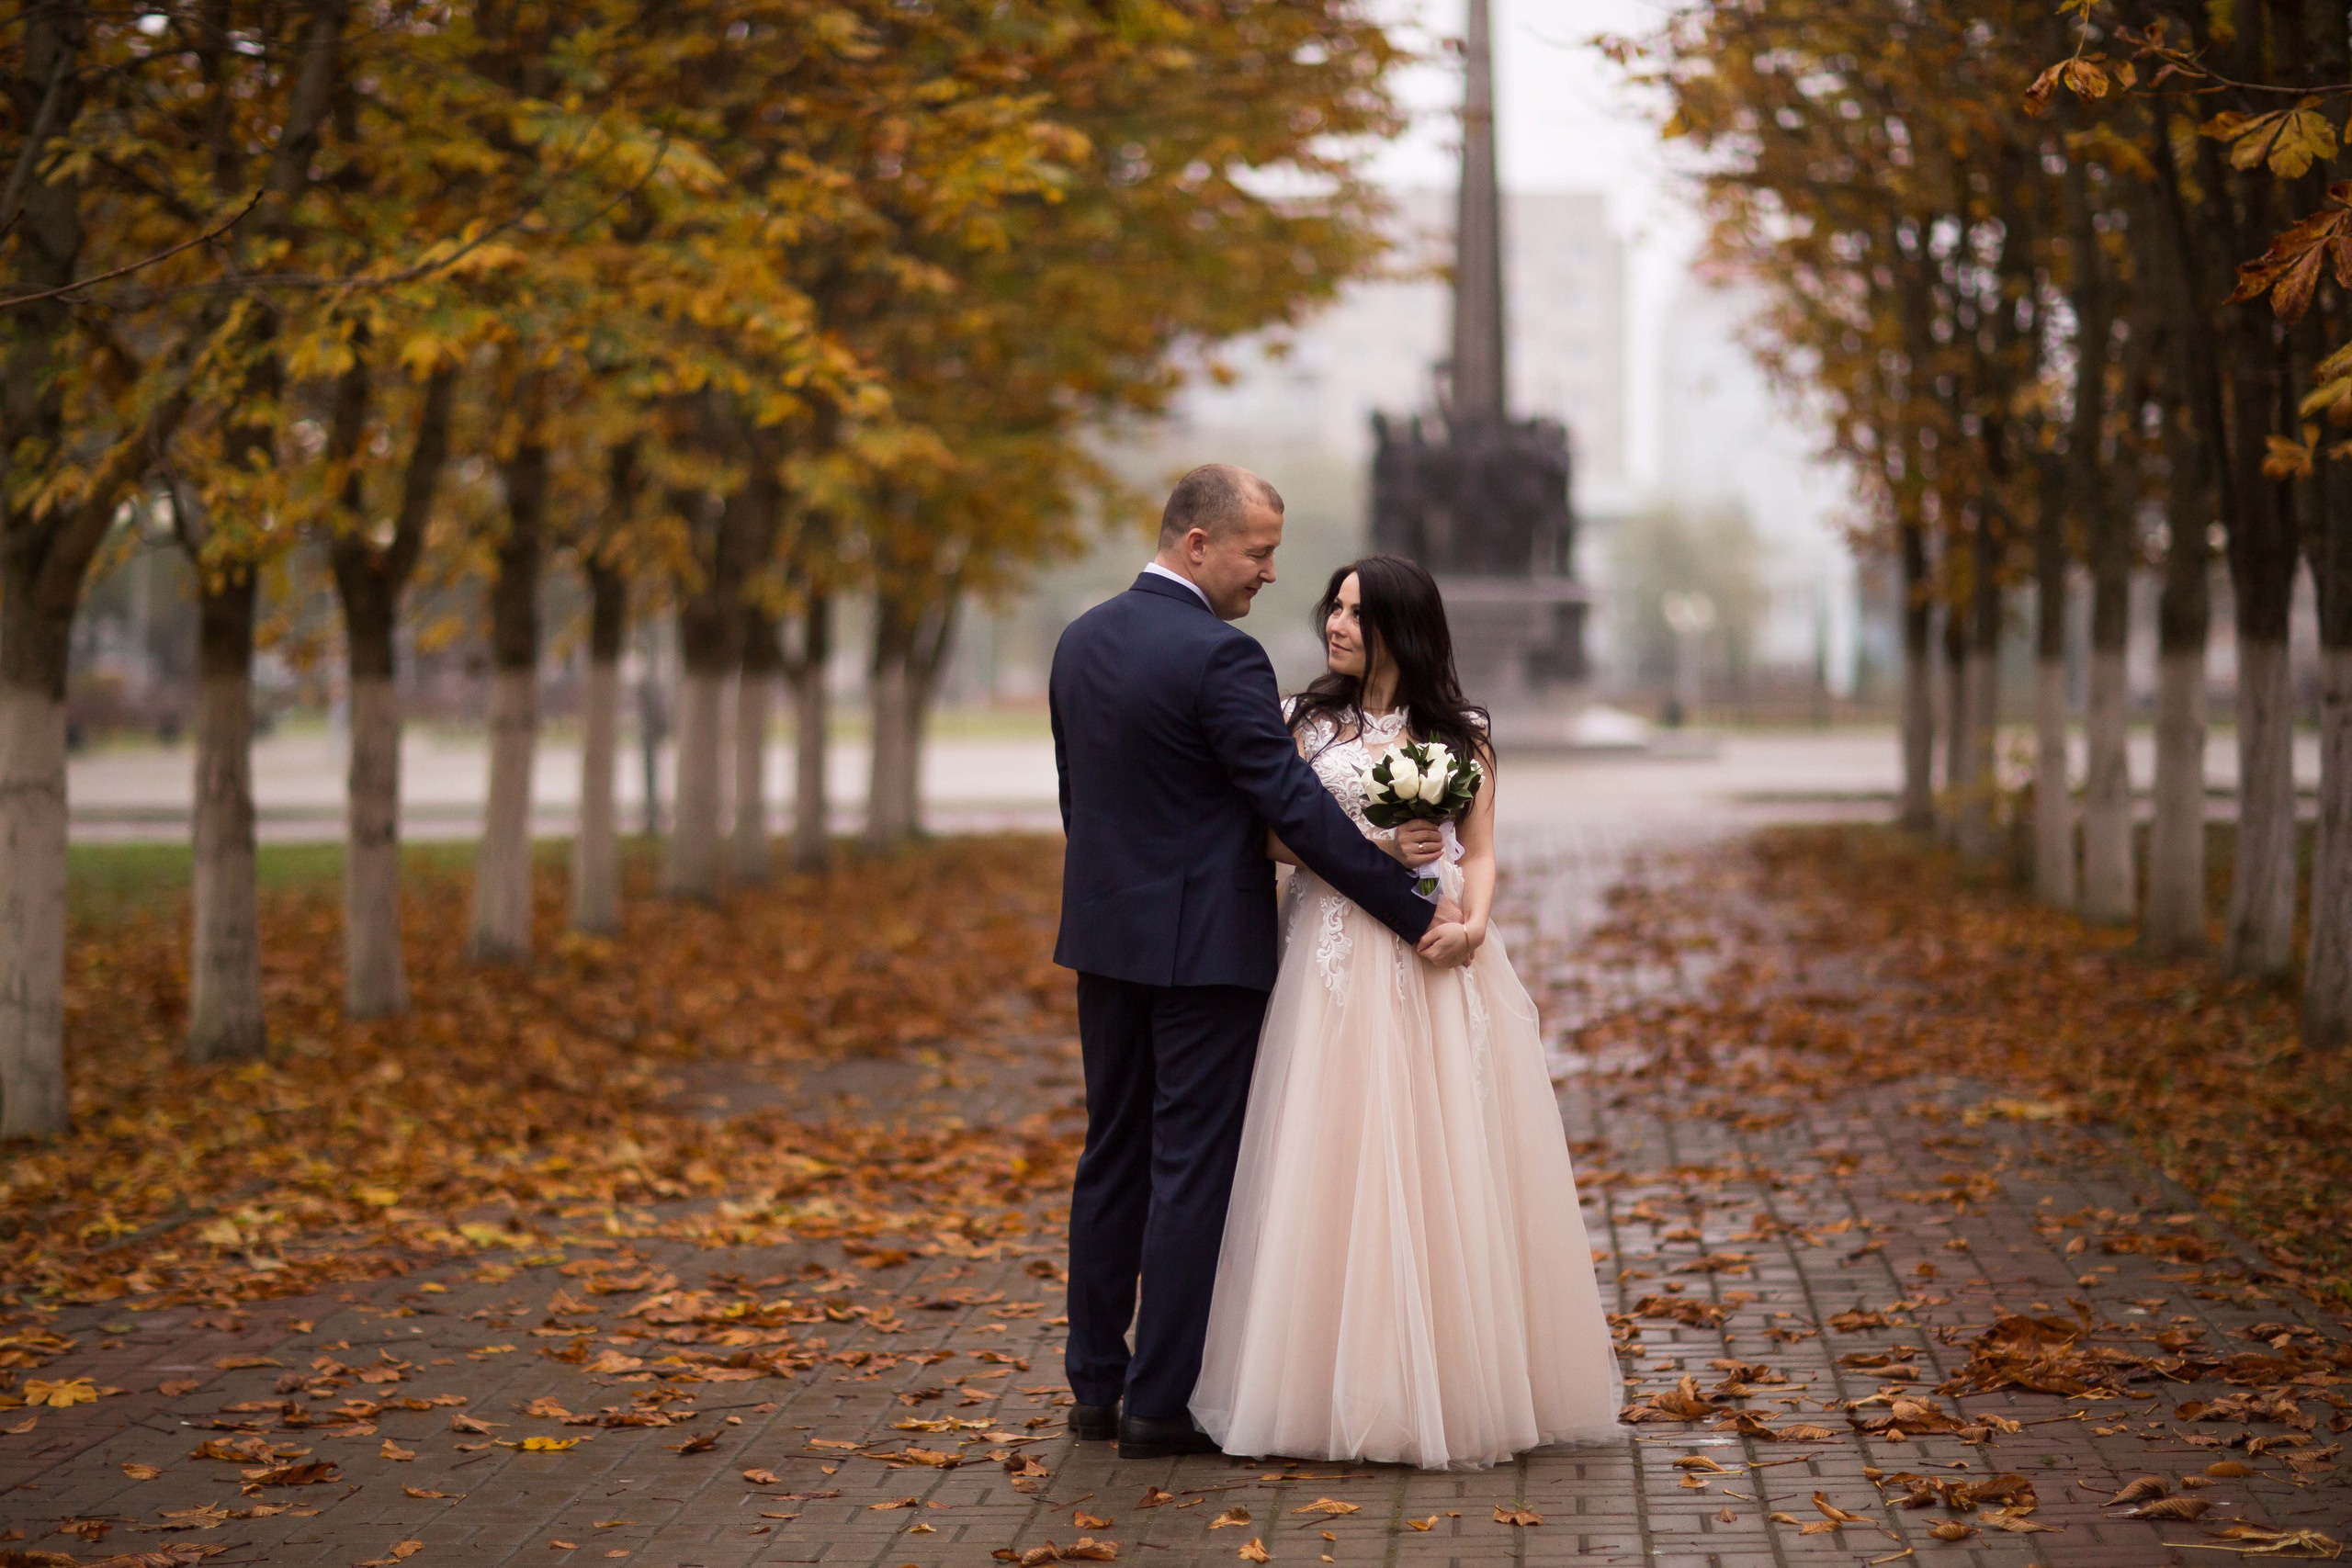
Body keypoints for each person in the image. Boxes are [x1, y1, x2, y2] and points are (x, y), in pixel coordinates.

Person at [1048, 468, 1464, 1460]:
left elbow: (1086, 798)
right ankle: (1160, 1407)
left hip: (1104, 939)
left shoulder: (1081, 640)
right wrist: (1411, 907)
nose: (1274, 573)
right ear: (1197, 544)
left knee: (1111, 1156)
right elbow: (1292, 807)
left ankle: (1094, 1390)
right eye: (1258, 552)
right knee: (1189, 1168)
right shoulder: (1218, 657)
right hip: (1204, 953)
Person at [1189, 553, 1623, 1469]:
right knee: (1332, 1153)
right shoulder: (1300, 723)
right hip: (1330, 956)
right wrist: (1373, 842)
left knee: (1439, 1158)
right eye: (1332, 607)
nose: (1334, 625)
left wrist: (1474, 924)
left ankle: (1450, 1377)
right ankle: (1315, 1383)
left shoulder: (1462, 732)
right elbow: (1267, 835)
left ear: (1401, 626)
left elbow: (1484, 847)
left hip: (1437, 953)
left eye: (1355, 612)